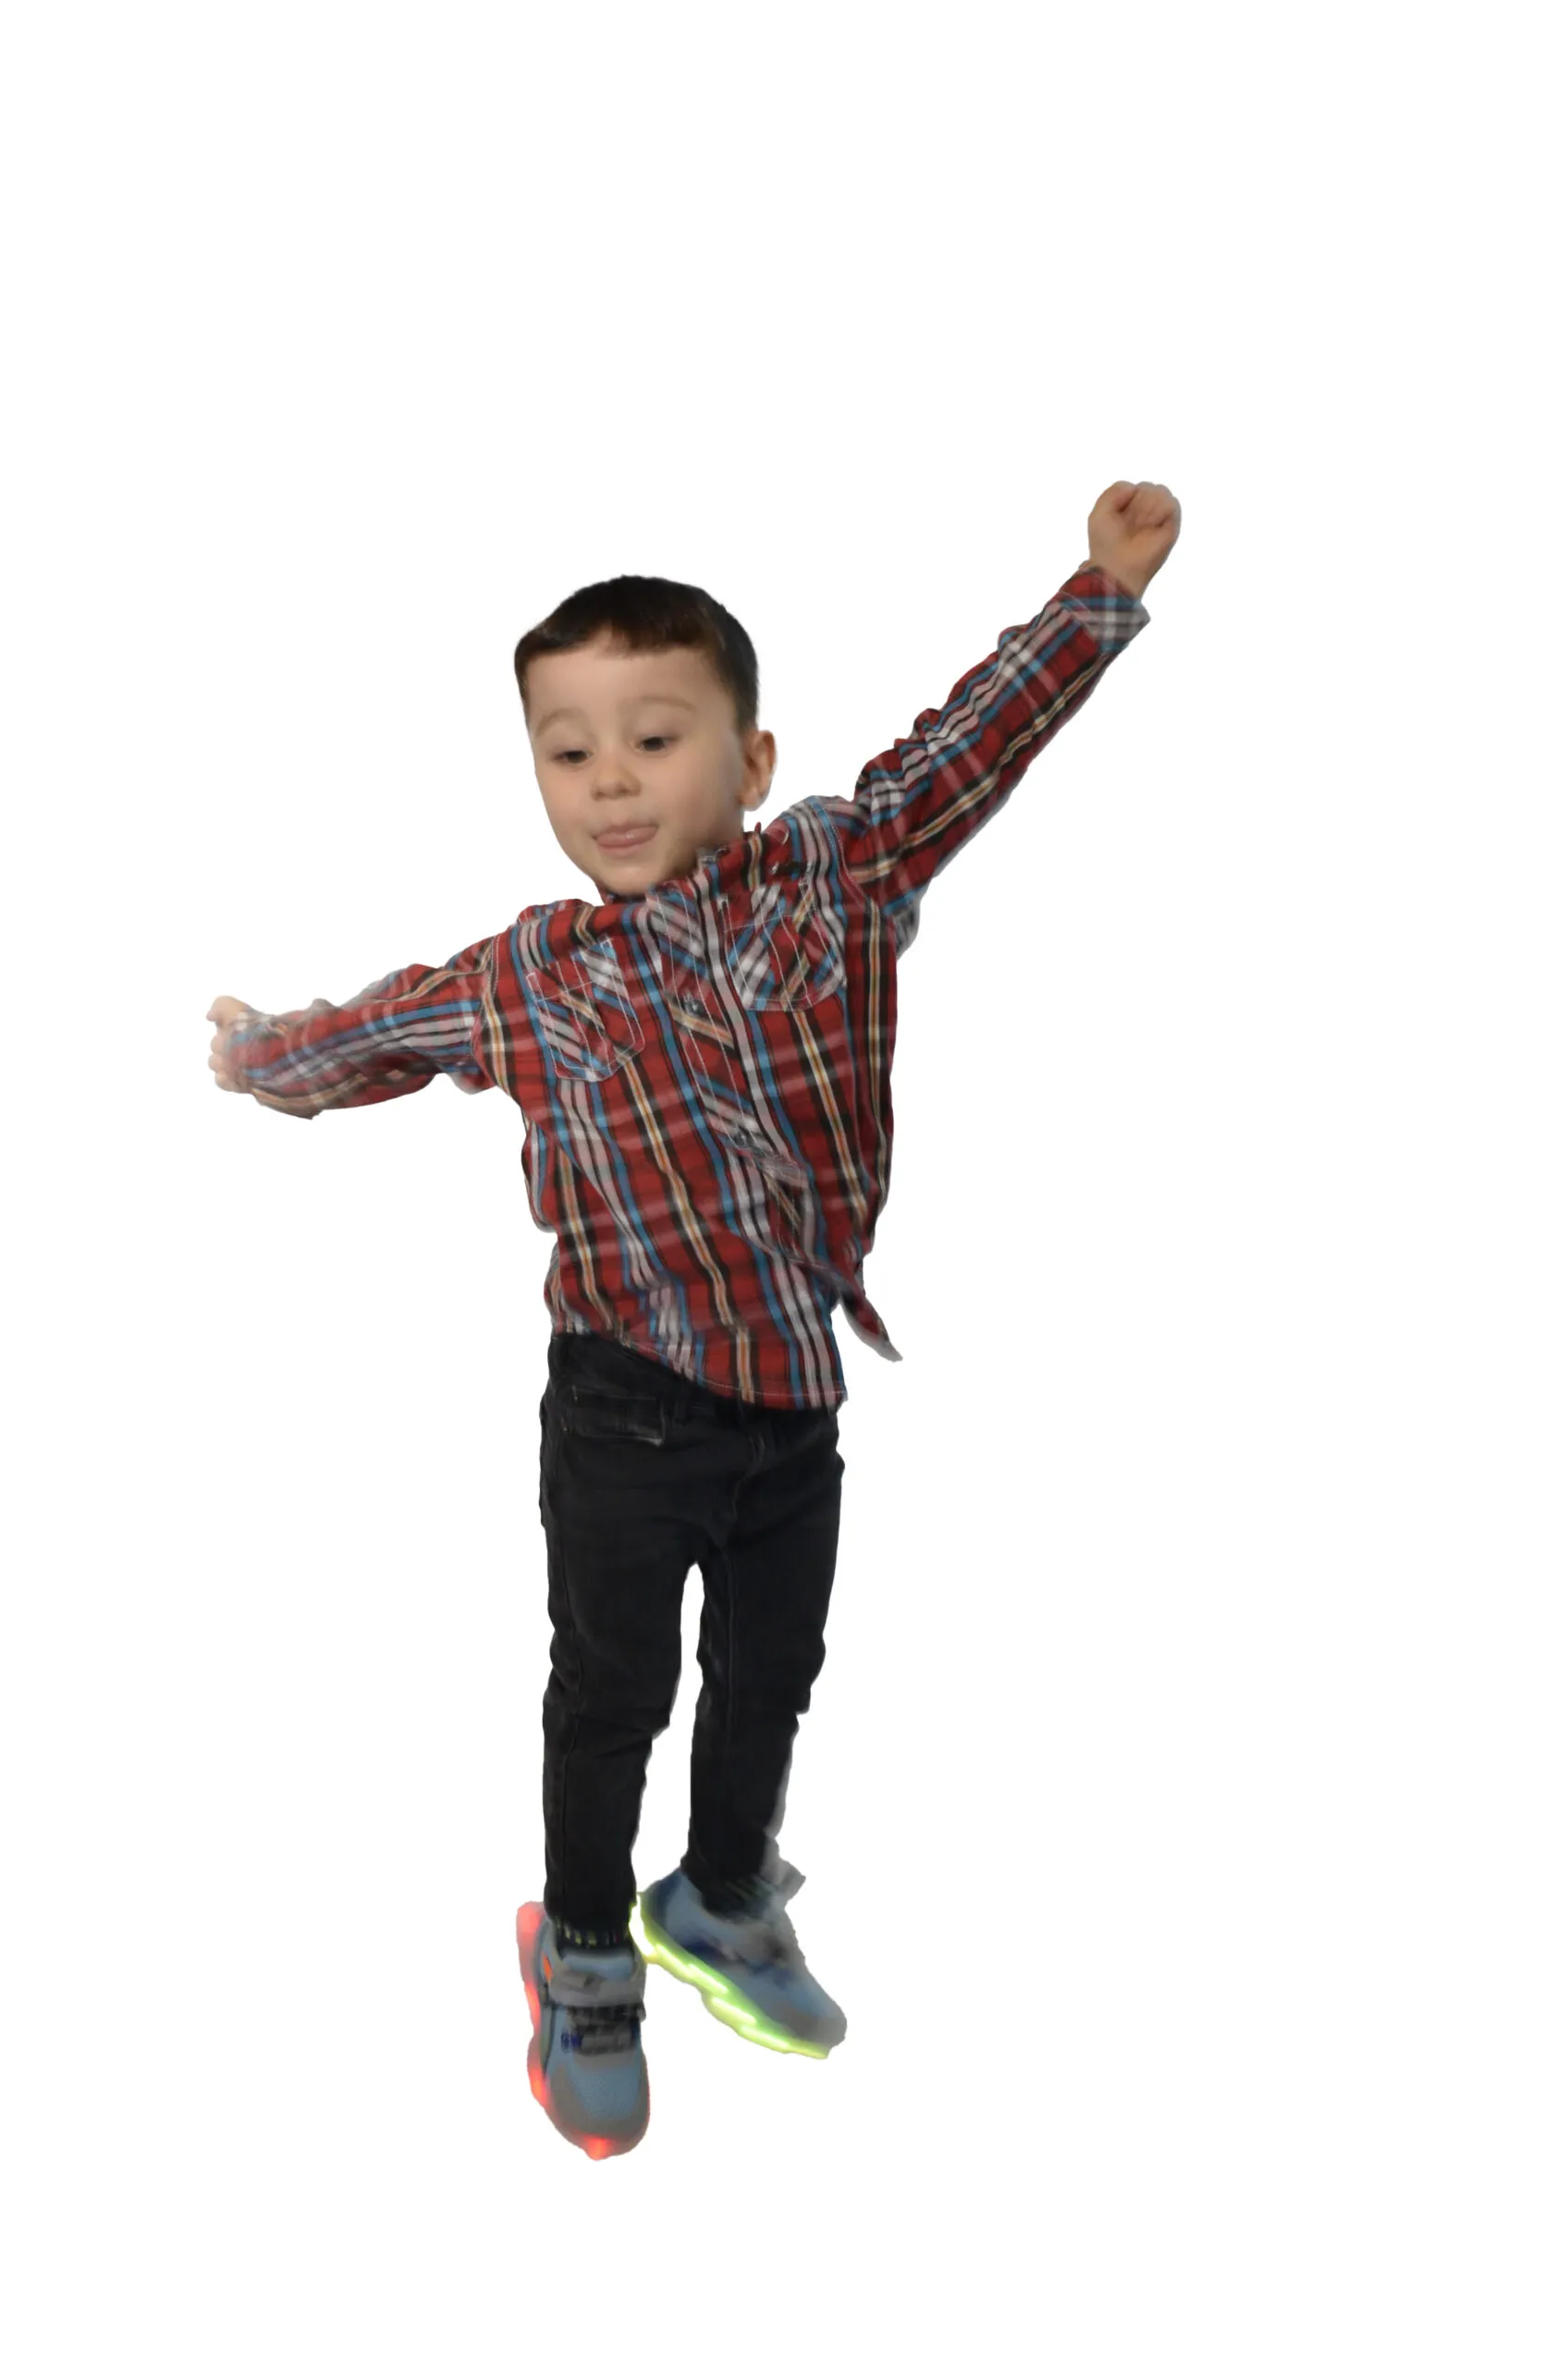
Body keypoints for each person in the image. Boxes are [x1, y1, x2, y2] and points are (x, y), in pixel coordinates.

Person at [208, 477, 1182, 2160]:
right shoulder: (530, 974)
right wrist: (256, 1056)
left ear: (749, 758)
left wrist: (1099, 587)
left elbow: (971, 747)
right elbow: (377, 1034)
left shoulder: (838, 873)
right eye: (568, 752)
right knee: (612, 1690)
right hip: (621, 1407)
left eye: (654, 741)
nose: (610, 782)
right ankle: (585, 1951)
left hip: (793, 1404)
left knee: (772, 1672)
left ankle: (722, 1895)